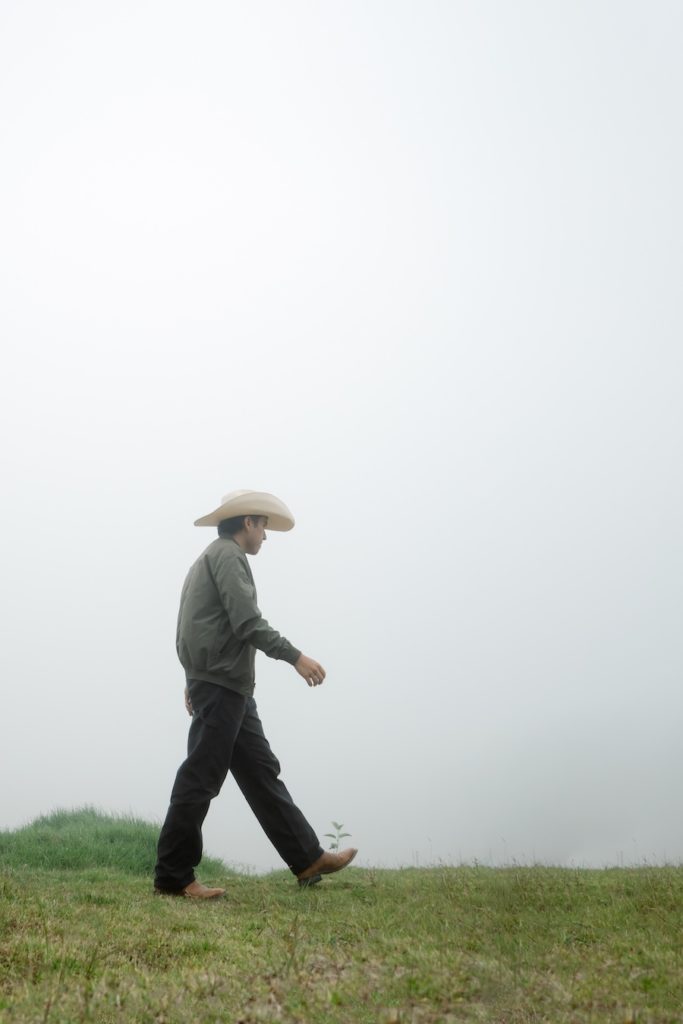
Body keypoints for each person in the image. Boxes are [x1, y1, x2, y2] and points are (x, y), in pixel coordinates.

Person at [154, 489, 357, 899]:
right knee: (201, 776)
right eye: (263, 525)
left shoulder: (208, 559)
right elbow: (247, 622)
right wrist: (295, 657)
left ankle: (307, 858)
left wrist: (192, 677)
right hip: (223, 686)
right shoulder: (228, 556)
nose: (266, 535)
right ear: (247, 523)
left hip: (230, 688)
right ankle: (173, 876)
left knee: (262, 773)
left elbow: (190, 626)